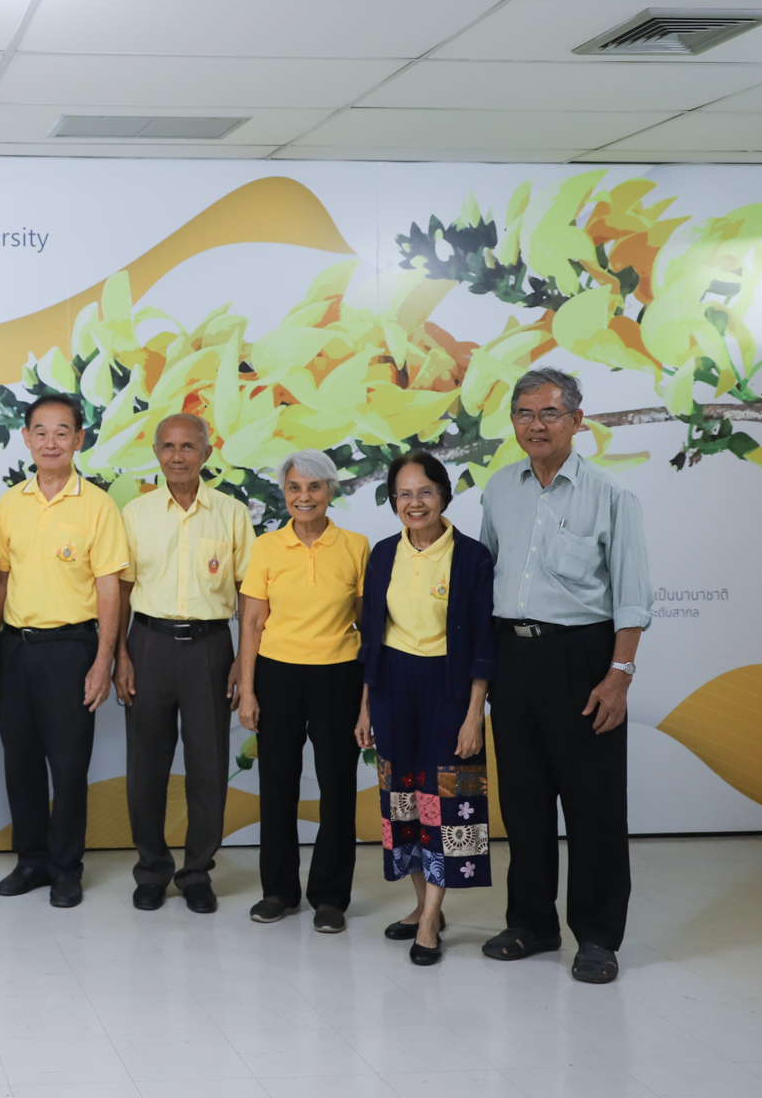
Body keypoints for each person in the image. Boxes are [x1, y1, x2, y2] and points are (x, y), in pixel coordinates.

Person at [479, 367, 650, 985]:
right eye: (525, 414)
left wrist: (618, 676)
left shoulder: (611, 494)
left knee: (593, 805)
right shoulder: (500, 489)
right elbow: (487, 575)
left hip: (583, 660)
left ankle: (598, 937)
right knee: (523, 802)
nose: (536, 425)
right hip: (512, 658)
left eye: (550, 413)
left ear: (577, 421)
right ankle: (532, 923)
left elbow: (632, 596)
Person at [0, 395, 127, 909]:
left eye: (62, 432)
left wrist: (103, 660)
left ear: (78, 439)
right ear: (26, 438)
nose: (51, 442)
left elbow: (109, 589)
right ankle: (31, 861)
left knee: (68, 767)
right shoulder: (9, 503)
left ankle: (67, 867)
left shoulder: (98, 505)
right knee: (20, 762)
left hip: (72, 649)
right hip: (15, 648)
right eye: (41, 432)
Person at [357, 450, 495, 966]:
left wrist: (473, 714)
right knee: (403, 799)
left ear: (444, 495)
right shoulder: (383, 554)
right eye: (404, 494)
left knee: (446, 801)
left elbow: (483, 642)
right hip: (393, 686)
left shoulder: (473, 557)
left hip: (448, 689)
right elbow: (372, 638)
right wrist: (365, 706)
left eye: (425, 492)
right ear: (394, 500)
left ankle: (432, 918)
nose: (415, 503)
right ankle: (421, 904)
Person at [115, 413, 254, 914]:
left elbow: (249, 593)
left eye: (188, 446)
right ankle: (152, 870)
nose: (177, 456)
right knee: (145, 767)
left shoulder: (232, 513)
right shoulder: (135, 514)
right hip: (147, 645)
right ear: (156, 452)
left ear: (206, 453)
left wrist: (242, 662)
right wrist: (120, 655)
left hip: (210, 648)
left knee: (208, 767)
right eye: (168, 446)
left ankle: (197, 872)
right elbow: (121, 590)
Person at [235, 449, 371, 932]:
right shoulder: (266, 547)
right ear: (284, 493)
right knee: (277, 786)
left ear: (330, 491)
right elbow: (252, 623)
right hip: (277, 675)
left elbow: (369, 627)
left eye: (314, 487)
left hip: (339, 675)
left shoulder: (356, 546)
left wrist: (367, 700)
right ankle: (278, 891)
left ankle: (330, 896)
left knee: (337, 787)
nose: (304, 496)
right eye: (294, 487)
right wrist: (247, 690)